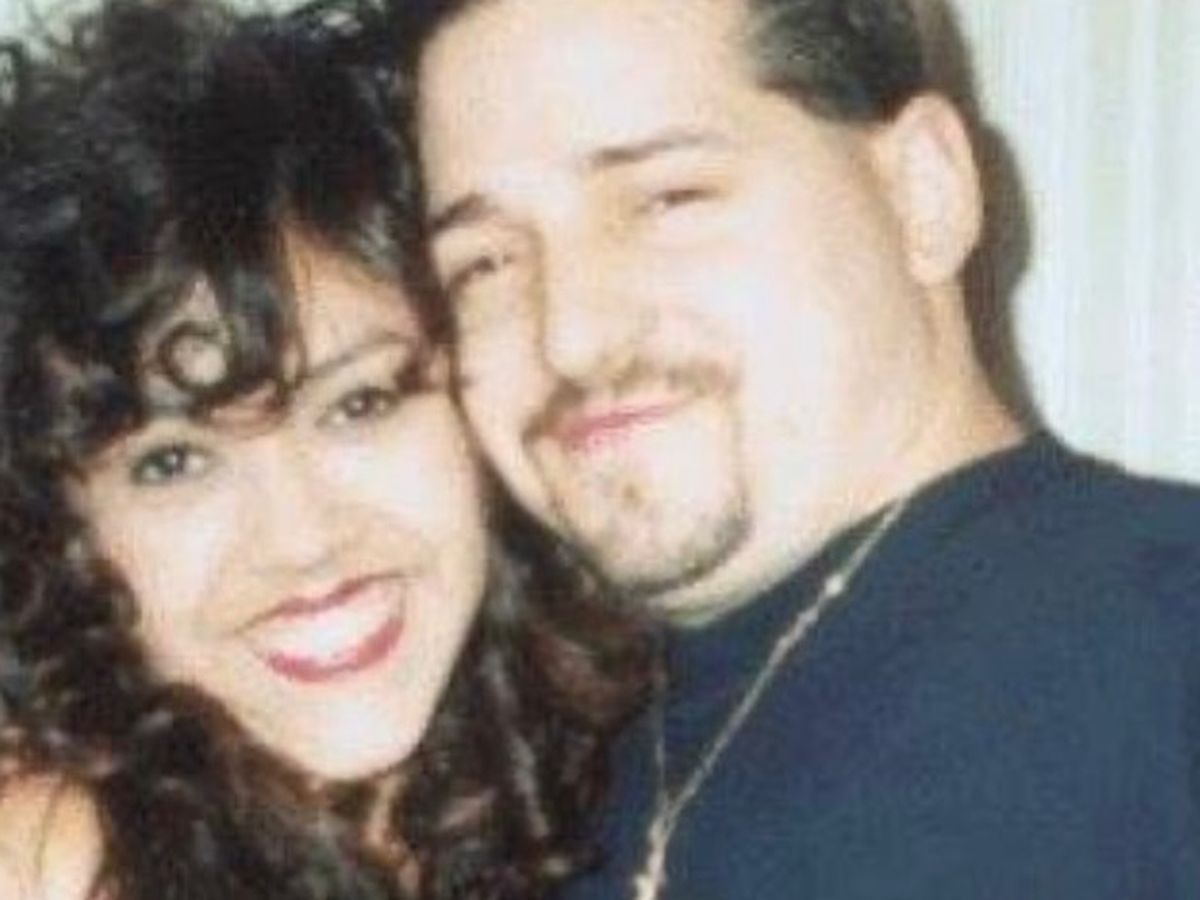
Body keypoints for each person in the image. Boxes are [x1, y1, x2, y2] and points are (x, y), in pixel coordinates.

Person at [404, 0, 1200, 897]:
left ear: (924, 192)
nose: (570, 339)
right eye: (484, 264)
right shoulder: (511, 783)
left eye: (667, 198)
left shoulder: (1170, 649)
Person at [0, 1, 650, 897]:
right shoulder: (52, 861)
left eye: (359, 403)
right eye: (173, 462)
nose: (304, 541)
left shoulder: (637, 759)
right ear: (64, 525)